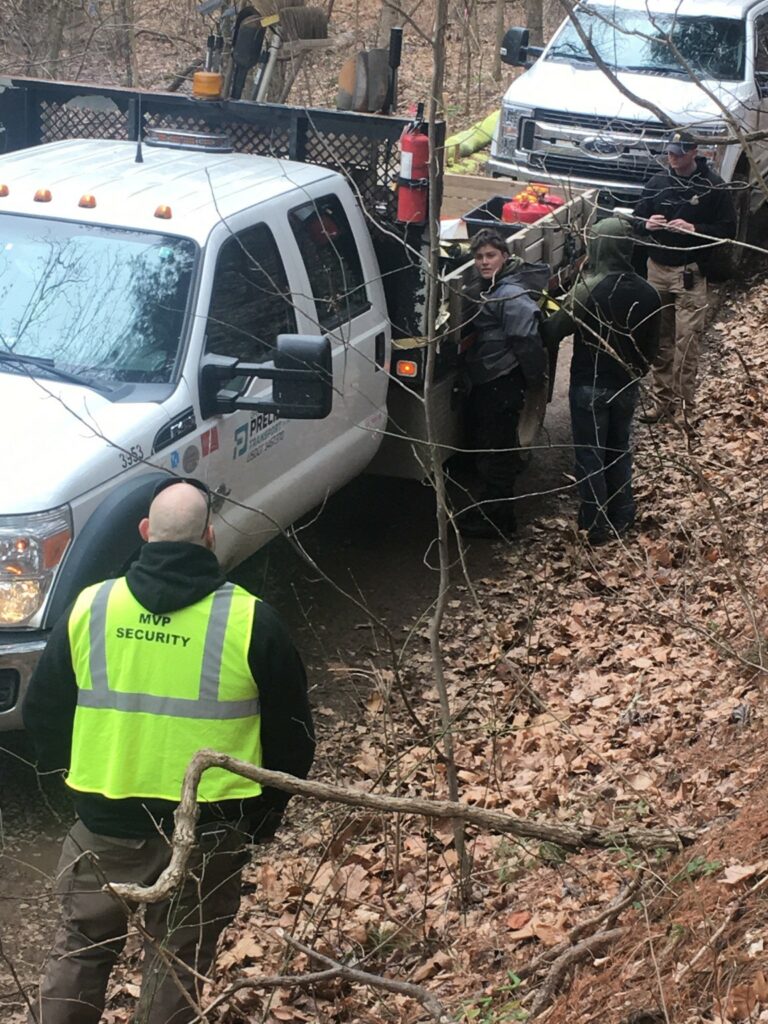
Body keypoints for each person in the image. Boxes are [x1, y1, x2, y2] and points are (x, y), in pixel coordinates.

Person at [23, 477, 315, 1024]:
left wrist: (78, 782)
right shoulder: (251, 621)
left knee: (81, 952)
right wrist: (259, 820)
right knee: (178, 966)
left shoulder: (92, 608)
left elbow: (43, 714)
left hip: (105, 821)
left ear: (144, 533)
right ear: (208, 536)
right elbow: (292, 740)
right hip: (208, 830)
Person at [541, 217, 661, 543]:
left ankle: (594, 525)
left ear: (597, 246)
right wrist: (637, 371)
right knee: (618, 449)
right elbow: (653, 347)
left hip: (589, 385)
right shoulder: (650, 293)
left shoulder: (588, 289)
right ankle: (623, 514)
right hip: (626, 386)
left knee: (590, 456)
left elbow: (553, 330)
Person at [633, 129, 736, 423]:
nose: (673, 157)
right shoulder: (657, 182)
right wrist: (647, 223)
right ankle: (659, 401)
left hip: (690, 271)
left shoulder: (712, 187)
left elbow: (728, 230)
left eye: (679, 153)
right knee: (660, 339)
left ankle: (684, 407)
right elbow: (637, 219)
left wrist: (695, 229)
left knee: (686, 342)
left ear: (694, 152)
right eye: (670, 152)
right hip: (657, 269)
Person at [458, 227, 548, 539]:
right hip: (494, 378)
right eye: (479, 257)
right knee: (495, 446)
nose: (484, 262)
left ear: (504, 257)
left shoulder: (509, 294)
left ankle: (499, 520)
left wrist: (535, 379)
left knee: (497, 451)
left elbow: (525, 338)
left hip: (502, 381)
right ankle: (497, 512)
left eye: (490, 255)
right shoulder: (494, 287)